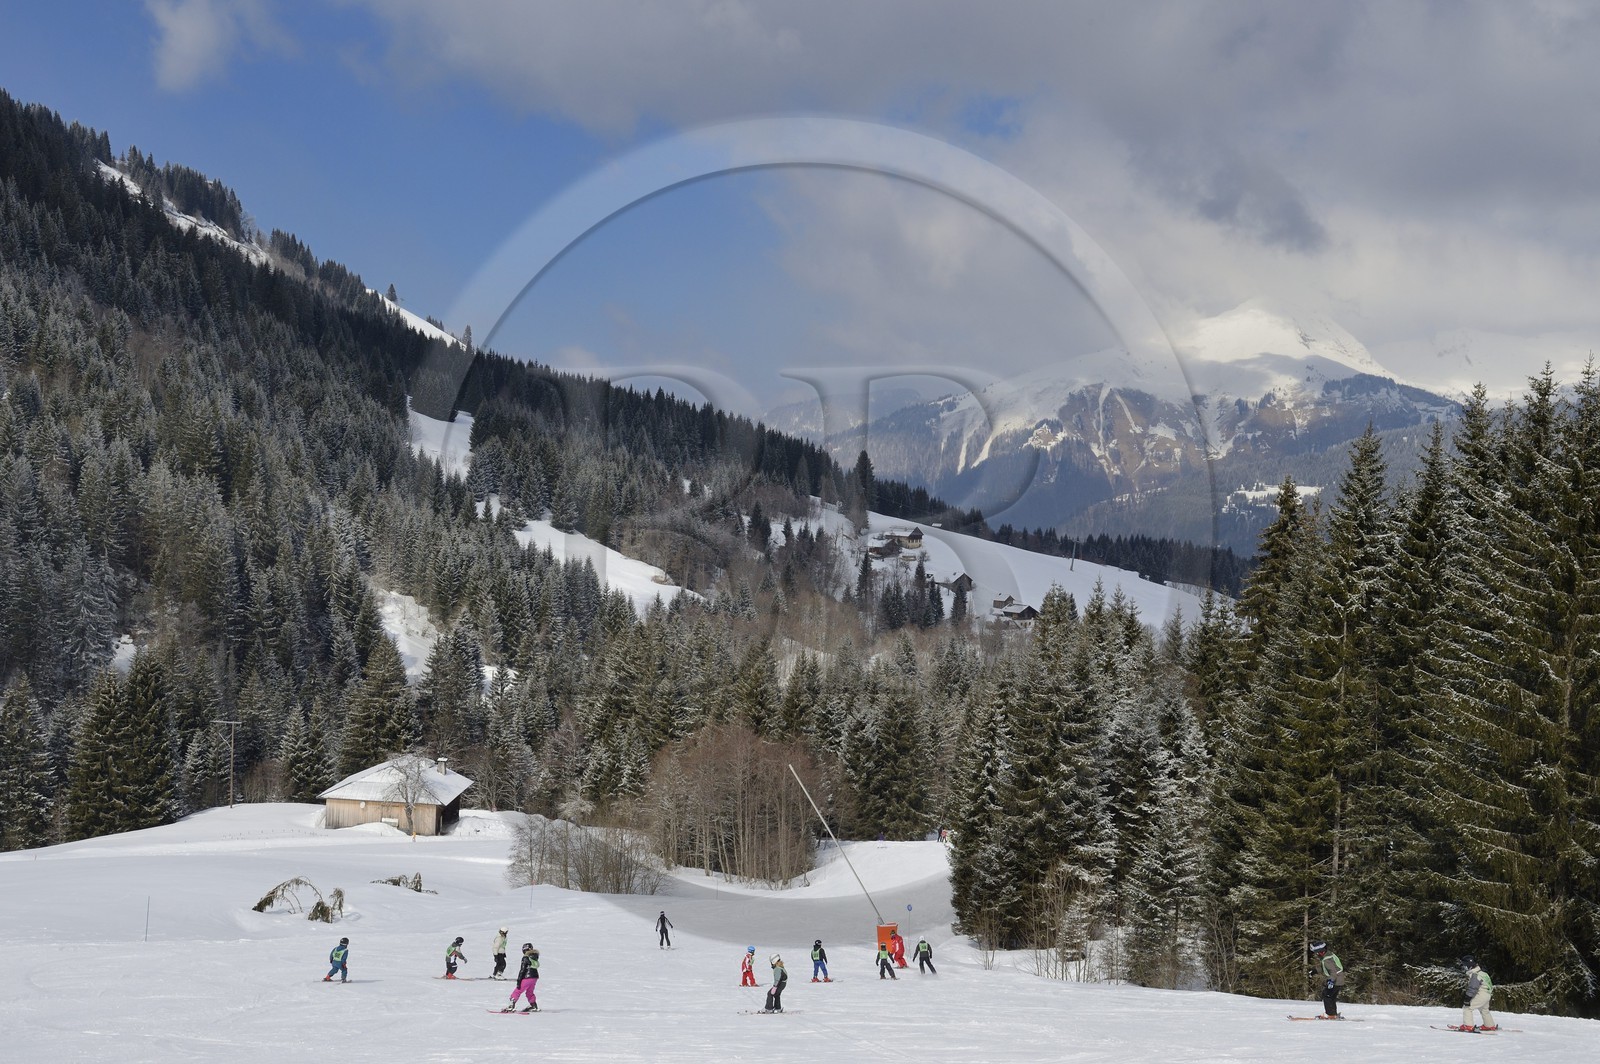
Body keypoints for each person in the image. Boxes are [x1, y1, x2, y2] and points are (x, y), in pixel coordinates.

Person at [1459, 956, 1497, 1032]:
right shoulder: (1483, 973)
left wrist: (1468, 998)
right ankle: (1489, 1025)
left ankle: (1468, 1025)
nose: (1464, 968)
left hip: (1481, 994)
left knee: (1467, 1007)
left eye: (1465, 965)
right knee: (1484, 1009)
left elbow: (1473, 987)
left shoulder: (1475, 974)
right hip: (1487, 994)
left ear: (1469, 965)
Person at [1310, 941, 1344, 1018]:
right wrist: (1315, 971)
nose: (1317, 955)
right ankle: (1333, 1014)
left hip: (1336, 980)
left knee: (1327, 995)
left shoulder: (1326, 960)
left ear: (1321, 952)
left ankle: (1330, 1014)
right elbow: (1325, 968)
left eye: (1317, 953)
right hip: (1339, 979)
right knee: (1331, 996)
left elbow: (1333, 971)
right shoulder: (1329, 955)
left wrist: (1331, 981)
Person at [503, 944, 540, 1012]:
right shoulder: (534, 957)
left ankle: (511, 1006)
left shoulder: (526, 957)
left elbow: (522, 970)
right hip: (534, 978)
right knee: (529, 992)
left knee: (518, 990)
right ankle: (533, 1006)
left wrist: (519, 980)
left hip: (527, 977)